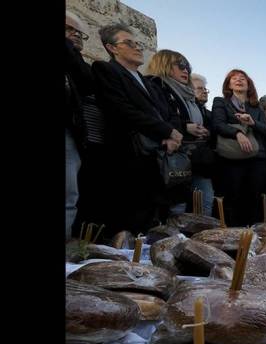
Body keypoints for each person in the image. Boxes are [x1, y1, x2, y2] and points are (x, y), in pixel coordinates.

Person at [91, 23, 183, 236]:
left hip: (154, 157)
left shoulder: (145, 80)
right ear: (112, 48)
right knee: (127, 219)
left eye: (138, 43)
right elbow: (120, 108)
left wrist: (170, 134)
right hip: (126, 155)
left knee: (150, 216)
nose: (138, 48)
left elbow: (163, 111)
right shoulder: (105, 69)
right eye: (129, 43)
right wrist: (165, 131)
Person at [146, 49, 209, 215]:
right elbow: (157, 116)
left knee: (201, 206)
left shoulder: (187, 95)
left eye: (187, 66)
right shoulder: (155, 85)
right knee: (174, 209)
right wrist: (185, 127)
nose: (186, 70)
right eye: (180, 65)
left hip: (193, 157)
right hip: (170, 157)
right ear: (164, 65)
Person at [211, 69, 266, 226]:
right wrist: (238, 133)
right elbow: (217, 124)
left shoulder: (256, 108)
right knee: (231, 198)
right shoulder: (220, 101)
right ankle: (232, 238)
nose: (239, 80)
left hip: (255, 159)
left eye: (243, 78)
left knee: (253, 200)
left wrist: (252, 122)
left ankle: (250, 238)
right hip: (230, 158)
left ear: (249, 85)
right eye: (234, 78)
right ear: (229, 84)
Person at [65, 11, 95, 240]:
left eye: (79, 33)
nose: (75, 36)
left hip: (70, 134)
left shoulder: (75, 62)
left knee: (68, 197)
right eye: (68, 29)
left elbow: (87, 83)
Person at [189, 73, 216, 216]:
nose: (204, 91)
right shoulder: (182, 108)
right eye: (200, 88)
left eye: (205, 89)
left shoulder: (209, 113)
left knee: (205, 206)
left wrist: (209, 133)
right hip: (181, 163)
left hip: (202, 165)